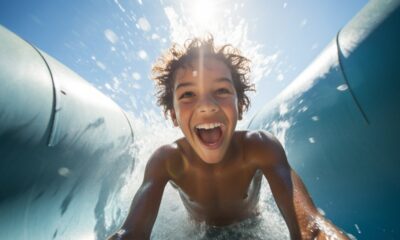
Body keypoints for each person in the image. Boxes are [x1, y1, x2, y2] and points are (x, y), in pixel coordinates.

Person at [108, 36, 349, 240]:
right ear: (173, 115)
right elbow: (130, 233)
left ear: (240, 106)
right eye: (188, 94)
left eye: (221, 91)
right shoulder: (166, 160)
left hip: (251, 230)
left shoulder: (259, 147)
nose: (206, 106)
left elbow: (309, 223)